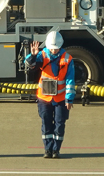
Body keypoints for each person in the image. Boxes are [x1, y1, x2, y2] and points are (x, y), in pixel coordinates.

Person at [25, 31, 75, 159]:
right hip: (44, 98)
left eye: (55, 48)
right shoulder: (42, 55)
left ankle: (56, 150)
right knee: (46, 123)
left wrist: (69, 99)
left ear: (60, 46)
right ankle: (47, 149)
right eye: (51, 48)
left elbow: (70, 80)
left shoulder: (67, 59)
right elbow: (29, 65)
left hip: (60, 99)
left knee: (59, 124)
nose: (53, 50)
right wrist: (33, 55)